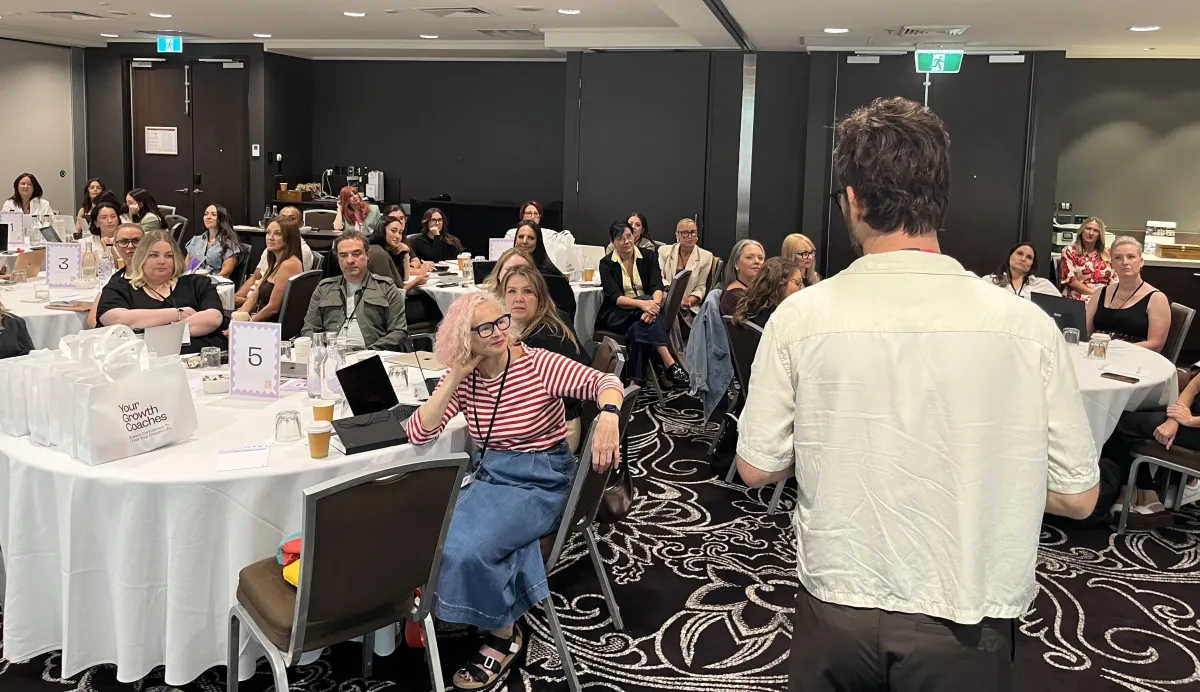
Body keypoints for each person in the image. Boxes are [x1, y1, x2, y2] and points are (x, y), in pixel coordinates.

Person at [733, 96, 1099, 692]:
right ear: (940, 198)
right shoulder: (1027, 326)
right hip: (968, 608)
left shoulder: (800, 317)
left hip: (839, 600)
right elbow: (1078, 497)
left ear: (853, 199)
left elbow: (756, 468)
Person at [406, 291, 622, 689]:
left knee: (464, 548)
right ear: (464, 337)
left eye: (501, 322)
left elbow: (605, 381)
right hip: (492, 474)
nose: (498, 332)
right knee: (427, 528)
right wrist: (455, 375)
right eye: (484, 328)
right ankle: (468, 604)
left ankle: (503, 635)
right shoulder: (466, 378)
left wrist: (608, 414)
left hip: (541, 479)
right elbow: (420, 432)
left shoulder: (538, 365)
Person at [502, 264, 589, 451]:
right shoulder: (527, 327)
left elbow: (521, 399)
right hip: (543, 423)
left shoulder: (545, 337)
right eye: (511, 291)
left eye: (527, 291)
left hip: (556, 433)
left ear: (539, 298)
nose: (518, 299)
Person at [97, 231, 227, 353]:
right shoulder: (119, 287)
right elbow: (117, 319)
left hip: (201, 359)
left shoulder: (197, 283)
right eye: (153, 255)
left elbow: (213, 319)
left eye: (168, 256)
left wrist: (146, 328)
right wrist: (177, 314)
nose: (162, 261)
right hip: (143, 361)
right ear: (141, 257)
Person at [596, 220, 689, 386]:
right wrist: (643, 305)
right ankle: (669, 362)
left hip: (645, 314)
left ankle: (635, 382)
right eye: (620, 238)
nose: (626, 241)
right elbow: (616, 298)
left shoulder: (648, 256)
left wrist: (654, 306)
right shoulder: (606, 263)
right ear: (612, 242)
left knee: (638, 328)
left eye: (628, 236)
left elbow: (657, 286)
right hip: (617, 315)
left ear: (634, 236)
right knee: (645, 302)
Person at [1104, 370, 1200, 530]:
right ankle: (1142, 494)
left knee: (1118, 424)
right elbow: (1194, 386)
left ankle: (1136, 493)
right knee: (1130, 415)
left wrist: (1190, 420)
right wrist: (1174, 419)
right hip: (1191, 415)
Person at [302, 230, 408, 351]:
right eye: (343, 255)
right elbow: (308, 329)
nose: (350, 260)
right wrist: (325, 350)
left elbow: (398, 332)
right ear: (338, 259)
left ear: (367, 255)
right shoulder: (324, 288)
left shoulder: (386, 287)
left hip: (371, 354)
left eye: (356, 254)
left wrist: (368, 352)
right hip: (331, 354)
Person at [1085, 236, 1170, 352]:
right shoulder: (1099, 293)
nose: (1125, 262)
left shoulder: (1156, 298)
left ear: (1141, 262)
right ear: (1112, 264)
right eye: (1118, 258)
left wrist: (1115, 349)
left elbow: (1156, 344)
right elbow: (1086, 332)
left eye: (1131, 257)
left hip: (1134, 356)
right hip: (1098, 354)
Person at [366, 216, 440, 325]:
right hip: (390, 312)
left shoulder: (385, 250)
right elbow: (393, 294)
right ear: (382, 231)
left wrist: (406, 253)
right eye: (393, 231)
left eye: (400, 232)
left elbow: (405, 278)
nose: (397, 236)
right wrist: (415, 282)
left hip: (393, 305)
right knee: (441, 306)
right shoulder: (378, 253)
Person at [235, 206, 313, 307]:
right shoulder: (271, 250)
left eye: (291, 218)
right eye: (268, 232)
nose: (270, 238)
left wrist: (245, 302)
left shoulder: (300, 254)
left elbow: (276, 303)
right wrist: (237, 298)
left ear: (301, 224)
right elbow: (256, 276)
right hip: (255, 296)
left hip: (264, 301)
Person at [241, 216, 304, 322]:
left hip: (273, 326)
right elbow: (254, 297)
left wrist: (247, 325)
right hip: (261, 320)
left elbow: (273, 308)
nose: (270, 238)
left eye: (277, 234)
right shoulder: (274, 261)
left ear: (289, 238)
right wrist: (239, 317)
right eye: (268, 232)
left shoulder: (290, 264)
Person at [484, 247, 577, 316]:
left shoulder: (548, 320)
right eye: (509, 270)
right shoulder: (485, 305)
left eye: (523, 270)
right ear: (498, 274)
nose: (516, 275)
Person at [87, 223, 145, 328]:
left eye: (136, 241)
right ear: (116, 245)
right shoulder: (115, 278)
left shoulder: (155, 275)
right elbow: (93, 318)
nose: (130, 246)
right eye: (123, 242)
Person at [657, 218, 713, 320]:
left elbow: (700, 287)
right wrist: (675, 297)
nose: (690, 236)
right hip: (665, 300)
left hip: (688, 307)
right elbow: (659, 278)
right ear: (677, 235)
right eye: (685, 233)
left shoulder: (706, 256)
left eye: (693, 232)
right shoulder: (664, 251)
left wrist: (688, 302)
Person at [732, 257, 801, 329]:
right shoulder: (776, 318)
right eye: (797, 283)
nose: (800, 289)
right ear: (780, 283)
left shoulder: (751, 307)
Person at [1058, 216, 1112, 301]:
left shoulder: (1108, 253)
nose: (1091, 233)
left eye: (1095, 230)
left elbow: (1115, 278)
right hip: (1079, 296)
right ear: (1082, 230)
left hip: (1105, 297)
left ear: (1099, 235)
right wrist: (1096, 294)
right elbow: (1071, 281)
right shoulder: (1069, 251)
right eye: (1088, 228)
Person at [984, 243, 1060, 299]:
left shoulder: (1043, 285)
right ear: (1010, 256)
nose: (1023, 259)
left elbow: (1061, 307)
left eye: (1029, 257)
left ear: (1032, 264)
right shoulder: (988, 281)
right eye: (1019, 253)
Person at [185, 204, 242, 277]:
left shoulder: (229, 244)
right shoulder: (196, 240)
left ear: (221, 219)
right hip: (194, 280)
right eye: (206, 214)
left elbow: (225, 273)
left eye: (213, 214)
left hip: (216, 281)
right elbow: (187, 268)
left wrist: (208, 281)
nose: (208, 217)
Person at [719, 239, 764, 316]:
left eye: (760, 258)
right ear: (736, 264)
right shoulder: (733, 297)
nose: (757, 261)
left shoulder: (758, 290)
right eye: (749, 257)